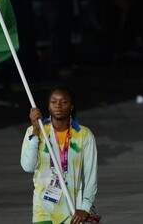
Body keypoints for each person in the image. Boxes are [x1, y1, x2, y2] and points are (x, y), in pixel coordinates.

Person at [21, 85, 98, 224]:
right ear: (48, 106)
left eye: (64, 102)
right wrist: (35, 131)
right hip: (42, 207)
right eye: (53, 102)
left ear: (72, 106)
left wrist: (86, 207)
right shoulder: (34, 131)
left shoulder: (84, 135)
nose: (58, 105)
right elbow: (28, 166)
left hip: (72, 208)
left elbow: (90, 174)